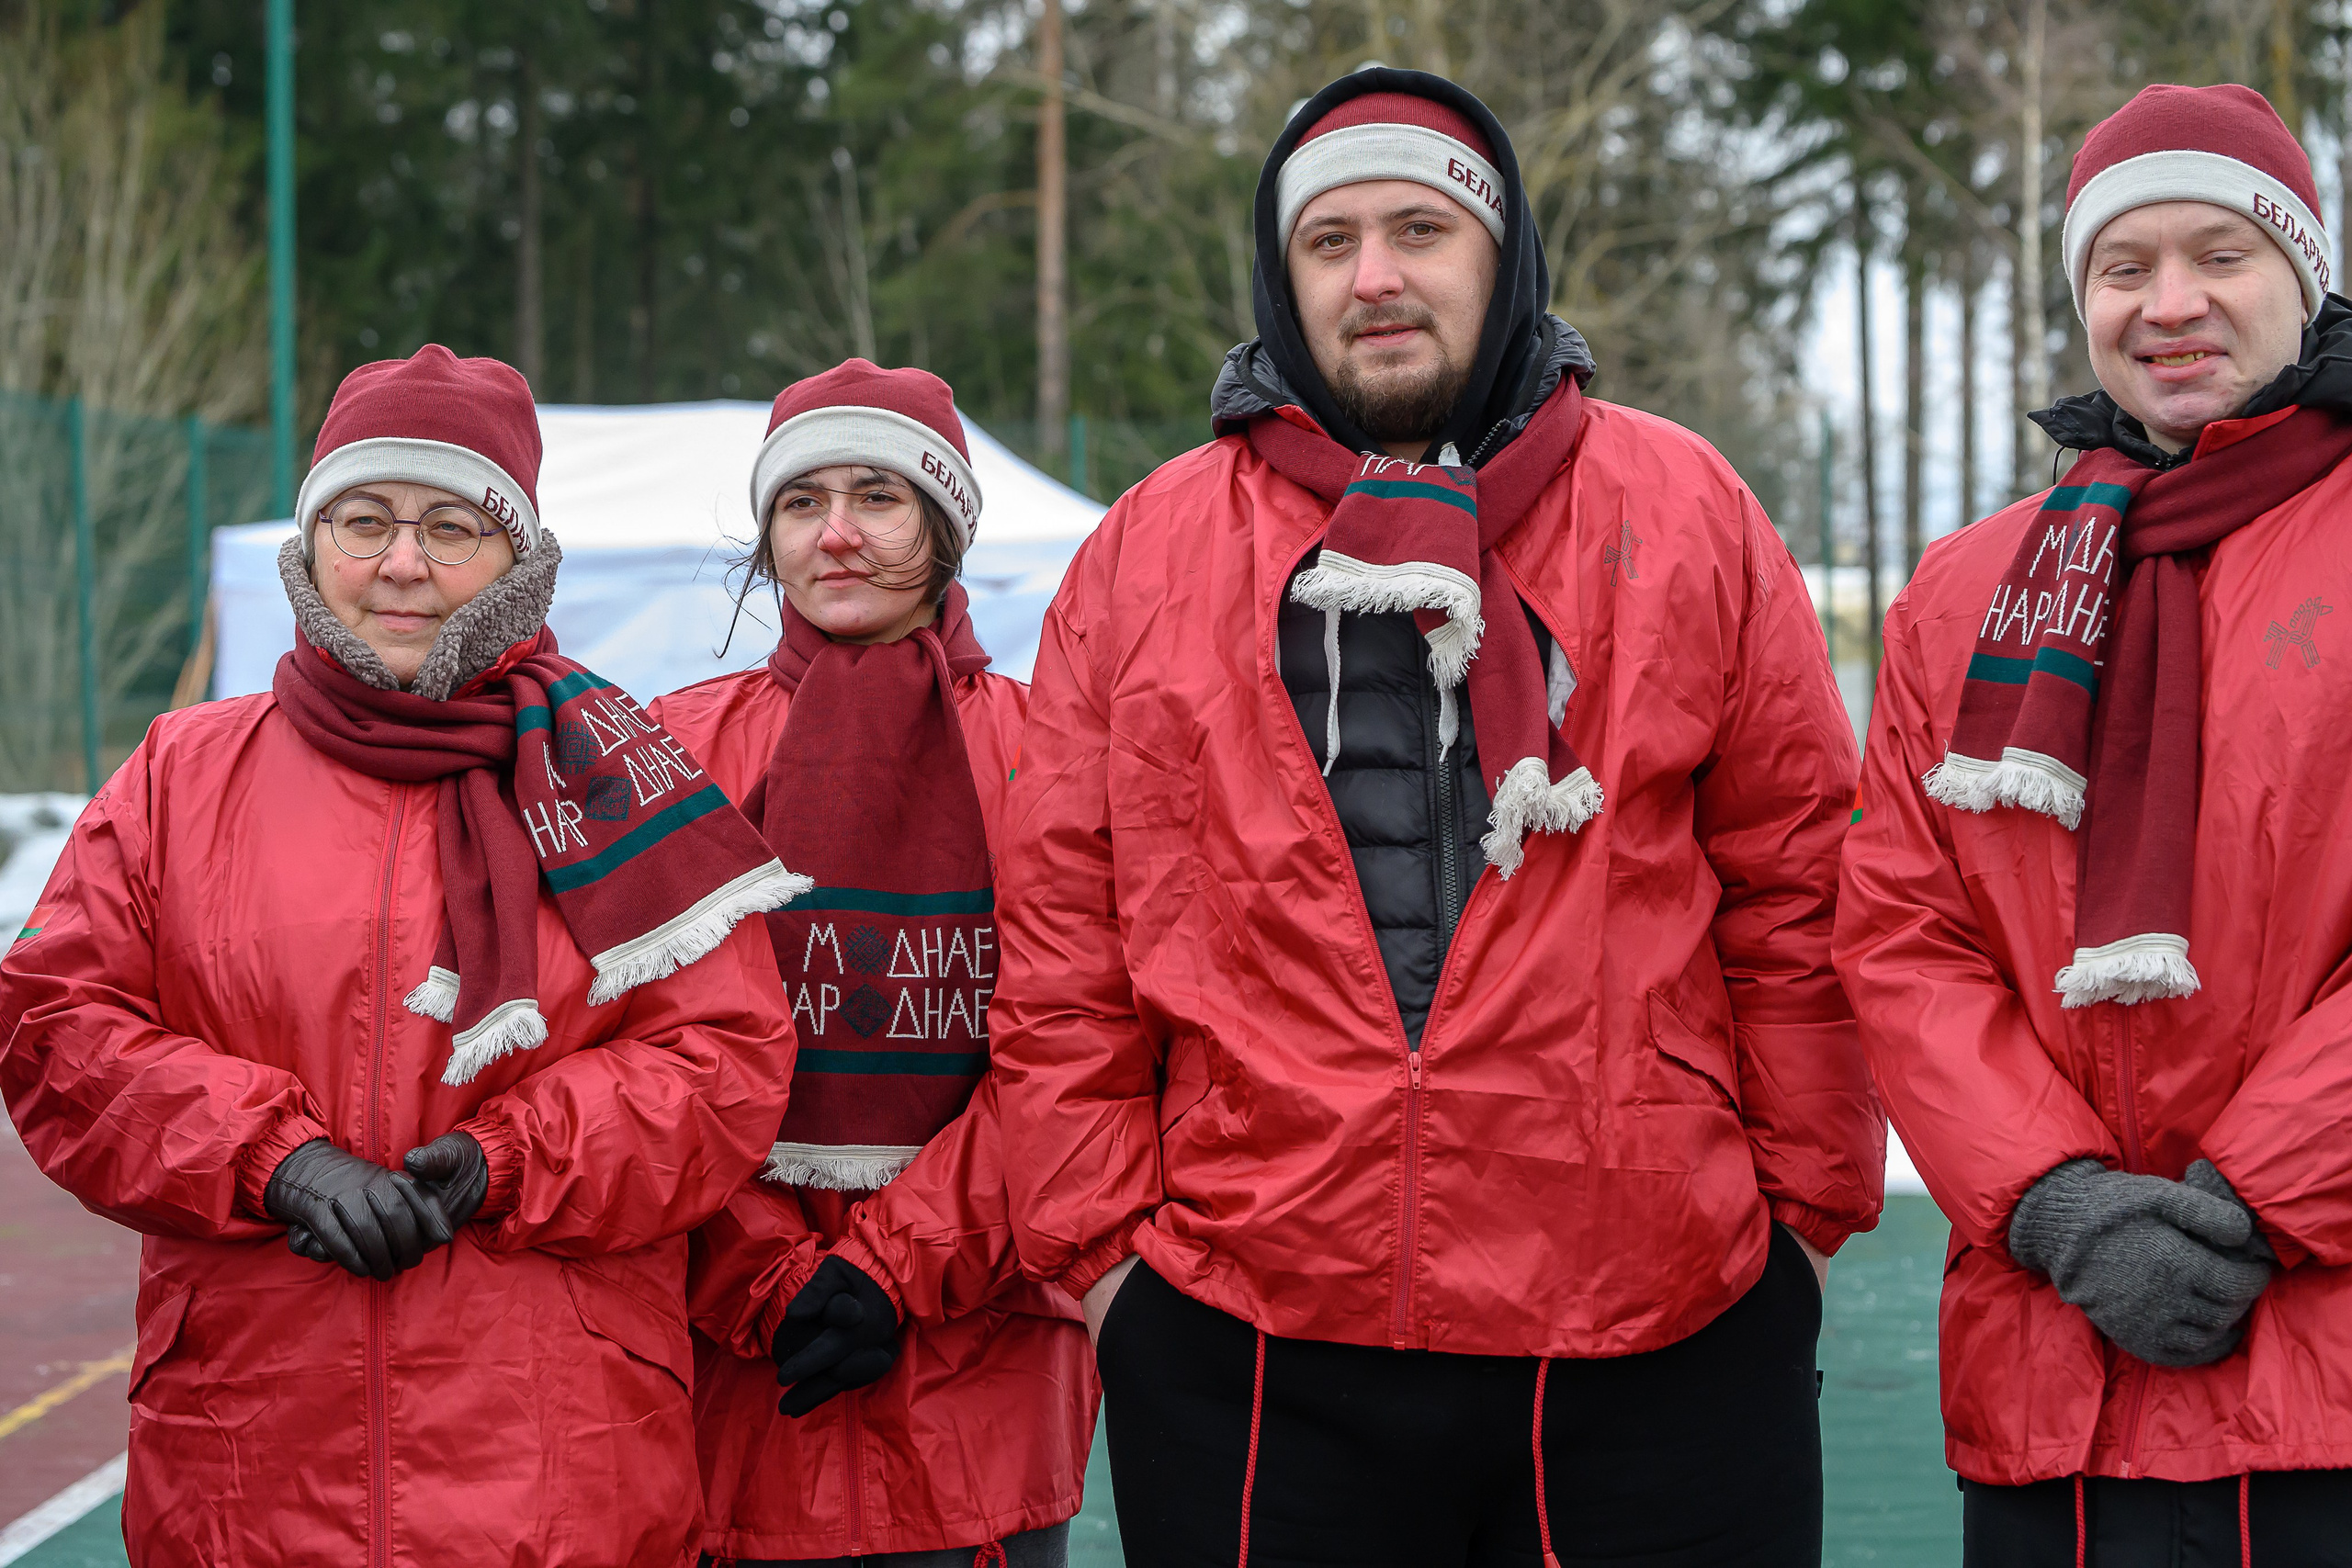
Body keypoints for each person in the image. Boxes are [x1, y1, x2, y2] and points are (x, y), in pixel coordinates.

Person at [989, 67, 1881, 1566]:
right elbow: (1064, 941)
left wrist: (1796, 1232)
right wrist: (1104, 1270)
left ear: (1504, 256)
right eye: (1329, 242)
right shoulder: (1146, 552)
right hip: (1252, 1332)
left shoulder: (1689, 509)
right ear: (1284, 279)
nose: (1376, 276)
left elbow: (1798, 886)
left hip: (1657, 1328)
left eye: (1421, 229)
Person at [0, 345, 803, 1567]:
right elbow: (59, 1026)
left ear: (518, 559)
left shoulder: (620, 774)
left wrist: (508, 1160)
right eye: (364, 519)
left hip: (556, 1467)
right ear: (313, 542)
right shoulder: (180, 776)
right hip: (254, 1471)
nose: (403, 563)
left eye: (452, 525)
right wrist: (272, 1159)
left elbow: (724, 1058)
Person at [1836, 84, 2352, 1565]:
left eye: (2222, 255)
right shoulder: (1972, 586)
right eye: (2124, 268)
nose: (2170, 303)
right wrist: (2063, 1207)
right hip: (2053, 1370)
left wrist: (2254, 1199)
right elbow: (1899, 929)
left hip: (2325, 1362)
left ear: (2303, 275)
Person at [650, 360, 1093, 1567]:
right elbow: (635, 1048)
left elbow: (1085, 1048)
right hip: (734, 1376)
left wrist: (895, 1268)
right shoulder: (671, 753)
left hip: (978, 1388)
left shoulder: (1048, 749)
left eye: (878, 498)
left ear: (946, 527)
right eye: (802, 504)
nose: (836, 535)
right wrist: (767, 1276)